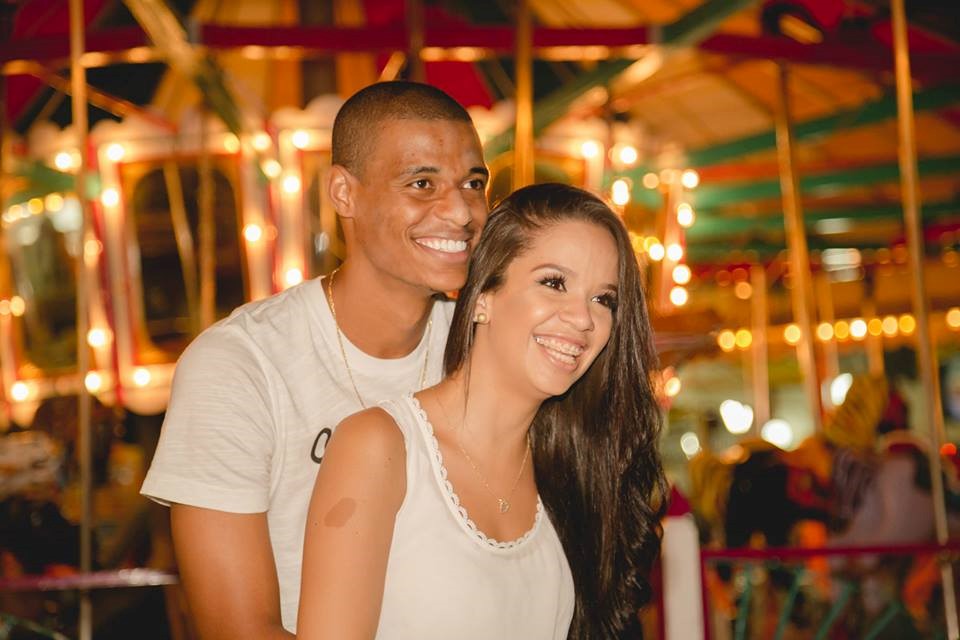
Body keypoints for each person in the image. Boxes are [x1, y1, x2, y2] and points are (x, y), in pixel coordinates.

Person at [140, 80, 489, 639]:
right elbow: (237, 628)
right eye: (422, 183)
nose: (461, 210)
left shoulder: (485, 346)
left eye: (473, 183)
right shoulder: (239, 365)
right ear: (344, 193)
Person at [297, 183, 667, 639]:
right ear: (482, 298)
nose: (583, 318)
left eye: (603, 299)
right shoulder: (380, 447)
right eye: (554, 283)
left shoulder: (572, 468)